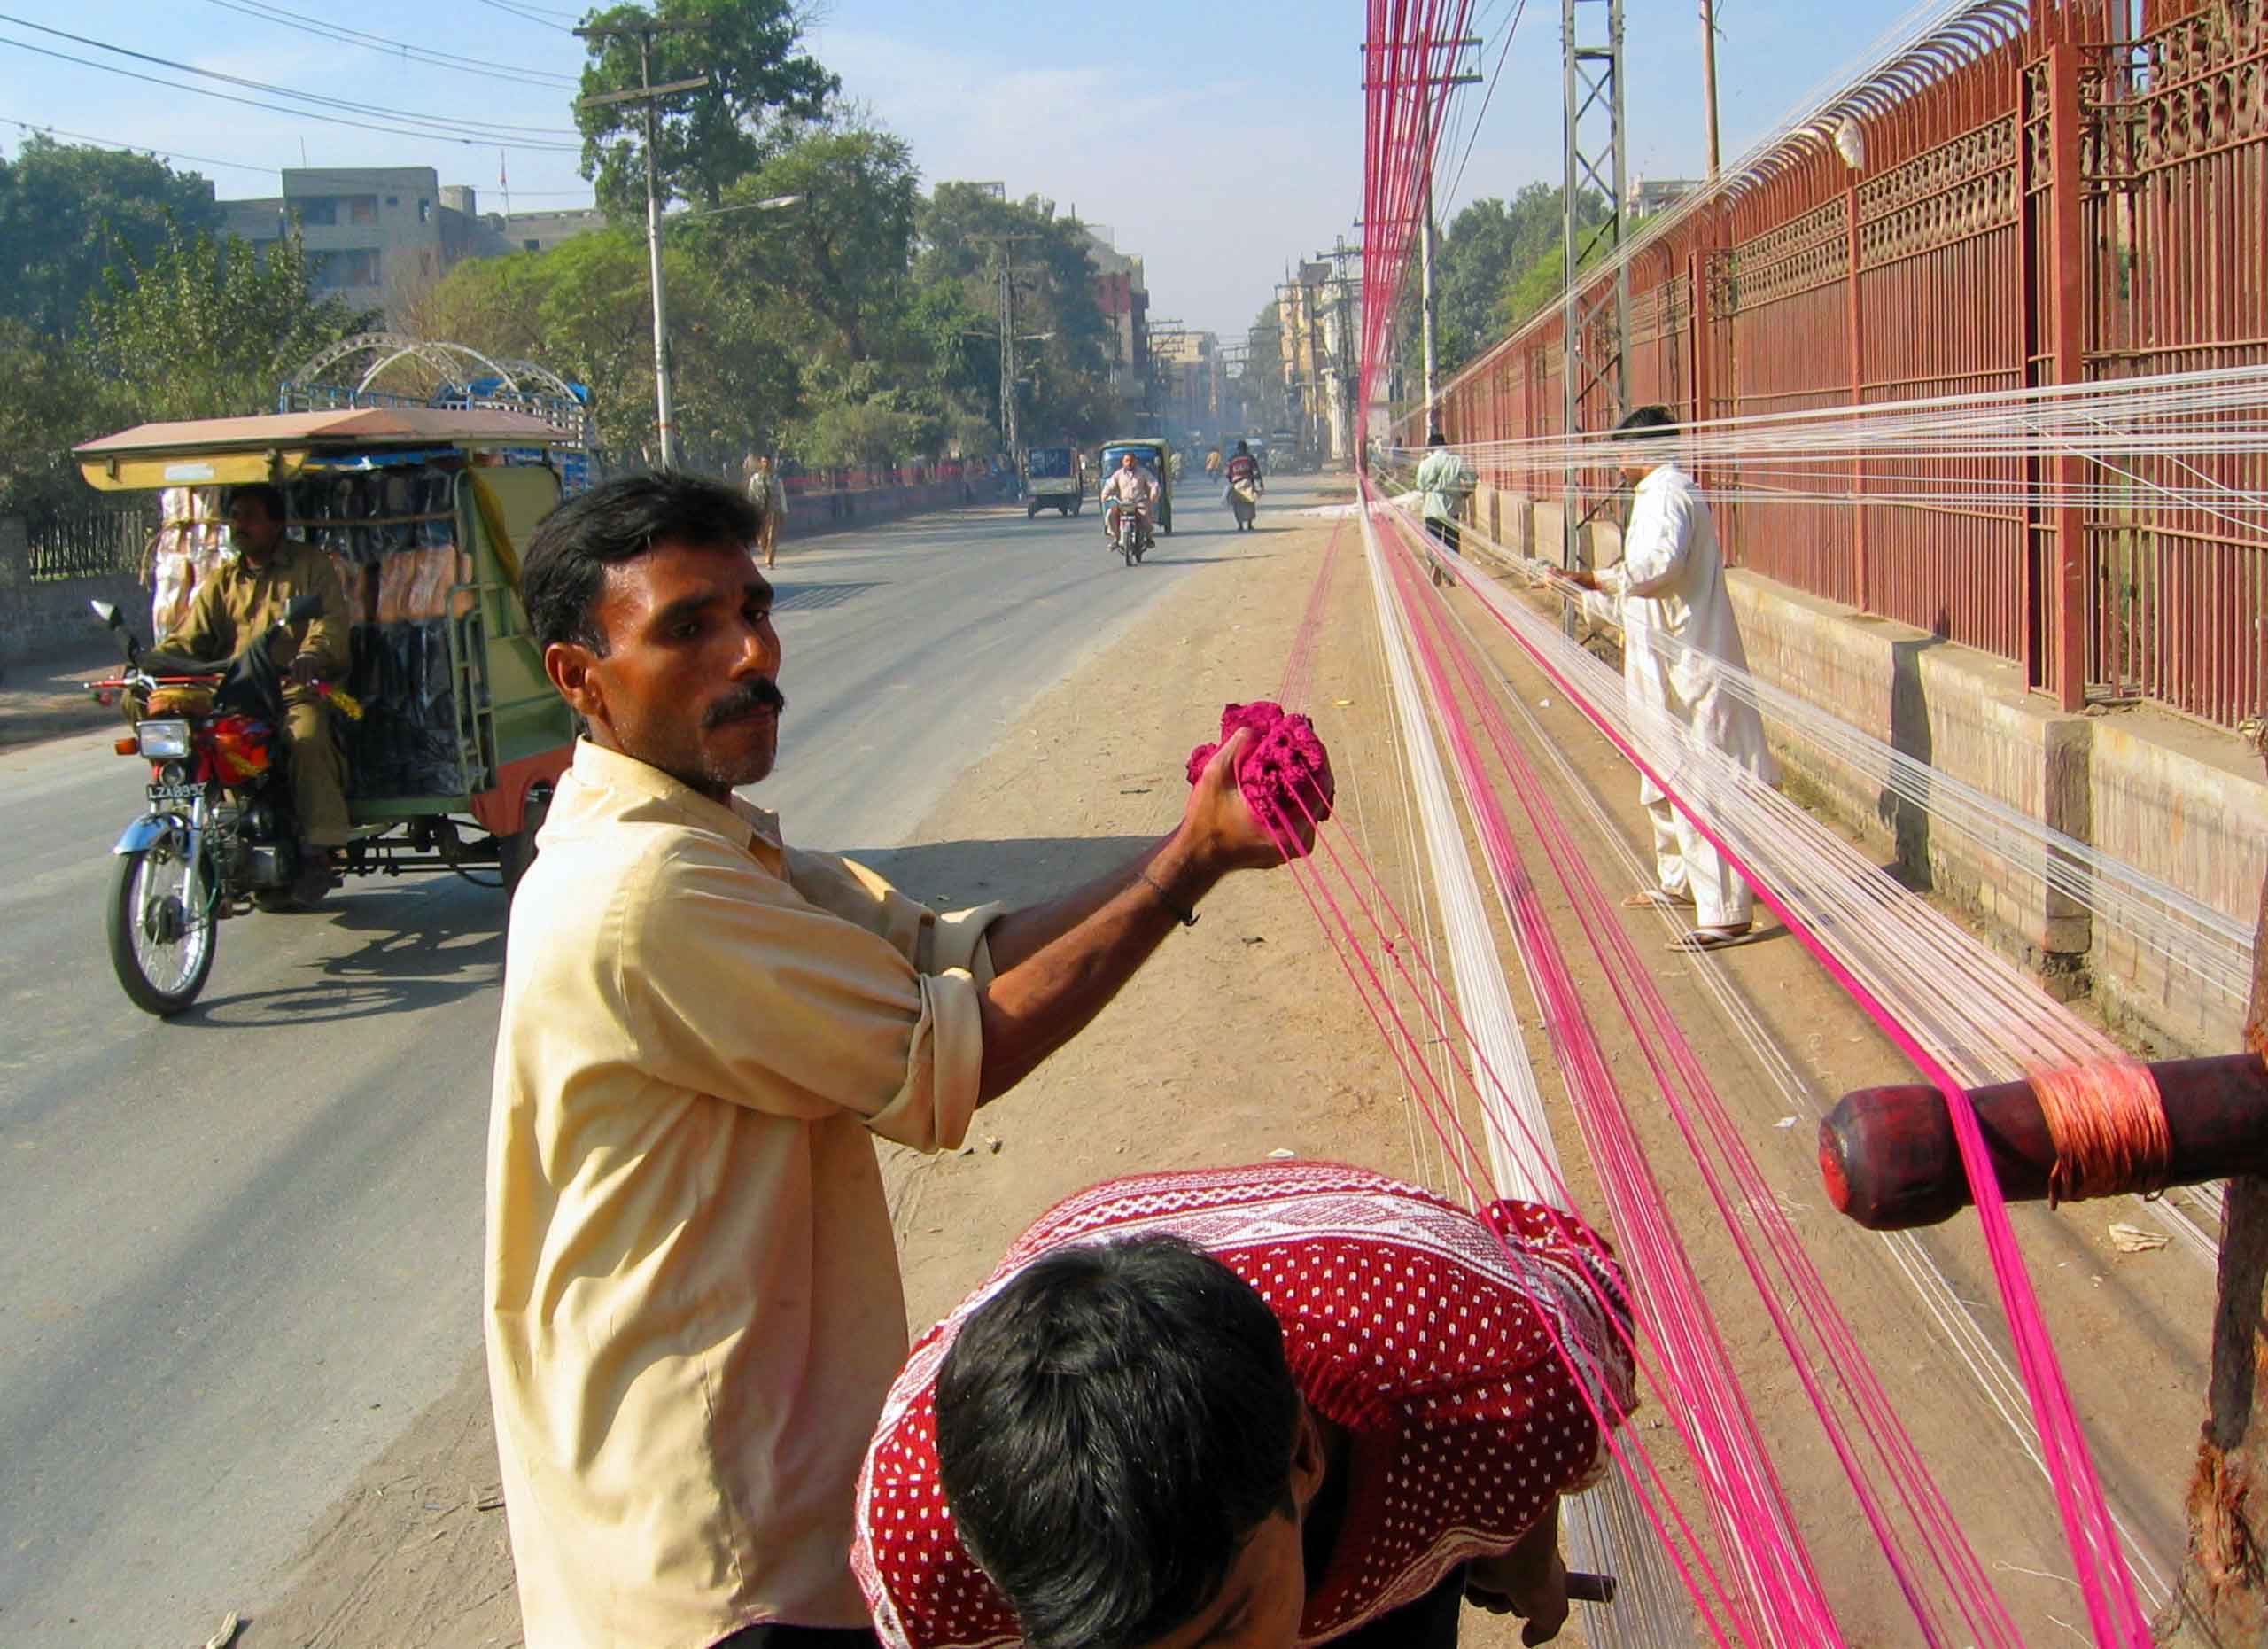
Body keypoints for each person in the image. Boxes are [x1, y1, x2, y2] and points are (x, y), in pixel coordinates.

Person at [485, 471, 1324, 1649]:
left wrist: (1192, 841)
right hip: (720, 1560)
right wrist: (1189, 863)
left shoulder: (701, 843)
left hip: (763, 1522)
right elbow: (955, 1056)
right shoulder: (643, 890)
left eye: (753, 609)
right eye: (689, 627)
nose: (750, 652)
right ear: (580, 676)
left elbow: (954, 960)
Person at [853, 1161, 1635, 1649]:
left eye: (1225, 1629)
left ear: (1305, 1453)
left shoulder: (1494, 1377)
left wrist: (1521, 1549)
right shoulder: (926, 1543)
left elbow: (1571, 1311)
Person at [1568, 406, 1778, 952]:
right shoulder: (1653, 494)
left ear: (1642, 450)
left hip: (1689, 666)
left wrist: (1596, 578)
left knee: (1699, 780)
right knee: (1662, 775)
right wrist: (1587, 590)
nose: (1617, 461)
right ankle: (1681, 881)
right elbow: (1644, 593)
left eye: (1622, 450)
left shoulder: (1668, 493)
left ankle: (1726, 912)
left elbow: (1658, 568)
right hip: (1660, 663)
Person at [158, 481, 350, 906]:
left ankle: (319, 851)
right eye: (234, 517)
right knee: (191, 737)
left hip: (293, 691)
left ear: (276, 523)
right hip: (237, 696)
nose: (238, 525)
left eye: (249, 516)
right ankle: (218, 830)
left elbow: (330, 623)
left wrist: (312, 655)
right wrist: (154, 661)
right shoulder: (224, 578)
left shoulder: (310, 565)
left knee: (306, 739)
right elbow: (189, 636)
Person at [1414, 431, 1478, 587]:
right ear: (1444, 445)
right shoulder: (1456, 460)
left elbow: (1420, 485)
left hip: (1432, 508)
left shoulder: (1425, 464)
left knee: (1432, 540)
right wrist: (1465, 492)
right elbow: (1472, 478)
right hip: (1452, 507)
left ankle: (1434, 565)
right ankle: (1450, 574)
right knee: (1452, 541)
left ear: (1431, 448)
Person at [1099, 451, 1158, 550]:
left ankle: (1148, 537)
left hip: (1139, 502)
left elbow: (1153, 484)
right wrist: (1105, 495)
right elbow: (1109, 485)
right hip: (1123, 503)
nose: (1129, 463)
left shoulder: (1143, 472)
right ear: (1123, 462)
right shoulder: (1118, 474)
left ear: (1136, 462)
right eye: (1127, 461)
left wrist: (1154, 493)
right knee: (1111, 514)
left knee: (1146, 515)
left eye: (1131, 461)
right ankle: (1116, 539)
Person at [748, 455, 790, 570]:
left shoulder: (776, 479)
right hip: (760, 511)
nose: (765, 464)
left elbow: (782, 495)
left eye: (767, 462)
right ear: (760, 463)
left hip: (773, 511)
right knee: (761, 538)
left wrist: (784, 511)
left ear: (770, 463)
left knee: (772, 536)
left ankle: (769, 561)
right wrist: (750, 510)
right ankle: (766, 550)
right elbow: (751, 495)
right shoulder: (755, 479)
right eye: (763, 462)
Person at [1223, 440, 1265, 533]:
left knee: (1237, 505)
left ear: (1238, 448)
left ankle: (1240, 525)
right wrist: (1260, 484)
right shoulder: (1250, 457)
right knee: (1249, 503)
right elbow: (1256, 472)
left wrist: (1231, 480)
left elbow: (1227, 473)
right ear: (1246, 448)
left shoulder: (1232, 458)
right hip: (1248, 483)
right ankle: (1249, 525)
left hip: (1236, 484)